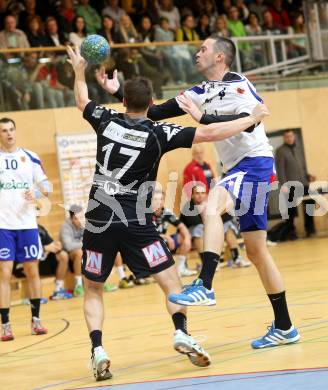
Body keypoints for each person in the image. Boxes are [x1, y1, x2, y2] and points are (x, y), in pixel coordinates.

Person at [67, 44, 268, 380]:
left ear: (123, 102)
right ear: (151, 104)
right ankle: (181, 332)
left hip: (98, 221)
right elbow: (209, 132)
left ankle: (98, 350)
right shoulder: (159, 132)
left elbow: (82, 100)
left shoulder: (105, 119)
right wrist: (251, 118)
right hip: (136, 223)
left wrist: (78, 69)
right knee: (171, 281)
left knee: (93, 288)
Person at [98, 34, 300, 350]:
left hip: (254, 163)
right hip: (240, 168)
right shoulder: (200, 91)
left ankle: (204, 283)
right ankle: (285, 326)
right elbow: (155, 112)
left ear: (220, 57)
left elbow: (249, 121)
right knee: (257, 252)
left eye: (203, 48)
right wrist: (118, 91)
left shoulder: (238, 85)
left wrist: (204, 118)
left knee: (209, 208)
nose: (197, 52)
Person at [0, 117, 49, 341]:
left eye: (11, 129)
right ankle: (6, 325)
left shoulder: (30, 157)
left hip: (27, 224)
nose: (9, 133)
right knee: (4, 273)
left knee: (32, 272)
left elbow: (46, 187)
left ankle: (36, 320)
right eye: (4, 131)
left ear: (15, 131)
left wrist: (36, 194)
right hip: (3, 226)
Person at [180, 185, 250, 268]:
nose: (200, 195)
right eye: (197, 193)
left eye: (202, 193)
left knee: (227, 226)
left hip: (210, 231)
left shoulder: (211, 204)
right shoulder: (188, 207)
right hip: (191, 236)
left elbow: (226, 217)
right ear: (192, 195)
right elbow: (195, 224)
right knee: (198, 230)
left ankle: (236, 258)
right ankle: (207, 263)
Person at [275, 130, 316, 238]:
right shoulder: (280, 151)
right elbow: (280, 169)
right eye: (287, 136)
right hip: (290, 185)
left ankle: (310, 229)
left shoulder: (298, 149)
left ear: (294, 136)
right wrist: (283, 185)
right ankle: (291, 233)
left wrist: (308, 176)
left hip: (303, 183)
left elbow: (301, 167)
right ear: (284, 138)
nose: (289, 138)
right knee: (291, 211)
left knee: (310, 203)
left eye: (291, 136)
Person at [152, 190, 196, 277]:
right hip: (152, 244)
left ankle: (181, 268)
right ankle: (157, 272)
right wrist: (167, 237)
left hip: (163, 242)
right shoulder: (147, 214)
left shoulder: (167, 213)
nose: (158, 202)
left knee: (183, 237)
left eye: (161, 199)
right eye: (155, 199)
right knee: (154, 244)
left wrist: (187, 239)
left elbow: (182, 226)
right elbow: (148, 235)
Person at [38, 224, 73, 300]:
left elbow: (51, 243)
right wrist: (44, 248)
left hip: (44, 261)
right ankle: (35, 296)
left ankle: (58, 289)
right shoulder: (22, 229)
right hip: (29, 262)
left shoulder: (40, 228)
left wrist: (57, 245)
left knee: (63, 255)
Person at [59, 204, 85, 297]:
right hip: (68, 254)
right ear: (71, 218)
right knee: (79, 252)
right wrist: (85, 244)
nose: (79, 220)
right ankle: (78, 285)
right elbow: (68, 246)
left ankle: (99, 282)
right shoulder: (65, 227)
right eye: (76, 218)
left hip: (83, 251)